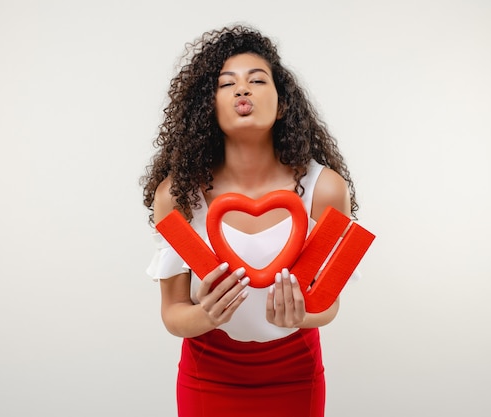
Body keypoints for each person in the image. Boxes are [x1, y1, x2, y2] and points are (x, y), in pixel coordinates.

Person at [141, 24, 359, 417]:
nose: (243, 89)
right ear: (208, 106)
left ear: (283, 104)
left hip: (296, 372)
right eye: (227, 84)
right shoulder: (176, 197)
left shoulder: (324, 189)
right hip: (207, 376)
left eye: (257, 80)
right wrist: (204, 314)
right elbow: (172, 315)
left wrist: (302, 315)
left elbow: (329, 303)